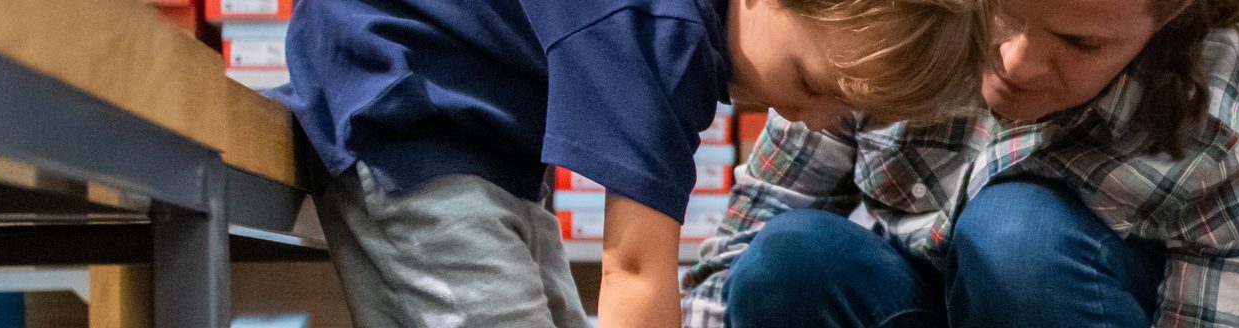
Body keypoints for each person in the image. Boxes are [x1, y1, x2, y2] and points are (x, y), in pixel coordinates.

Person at [275, 0, 987, 325]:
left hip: (489, 141)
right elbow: (636, 269)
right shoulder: (667, 38)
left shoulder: (683, 37)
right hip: (405, 107)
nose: (803, 115)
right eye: (805, 81)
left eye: (839, 111)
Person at [668, 0, 1239, 326]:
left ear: (1169, 14)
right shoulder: (894, 21)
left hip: (1073, 297)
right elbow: (737, 256)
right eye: (1001, 9)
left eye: (1079, 42)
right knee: (789, 260)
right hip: (911, 297)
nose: (1015, 64)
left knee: (1017, 239)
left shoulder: (1238, 122)